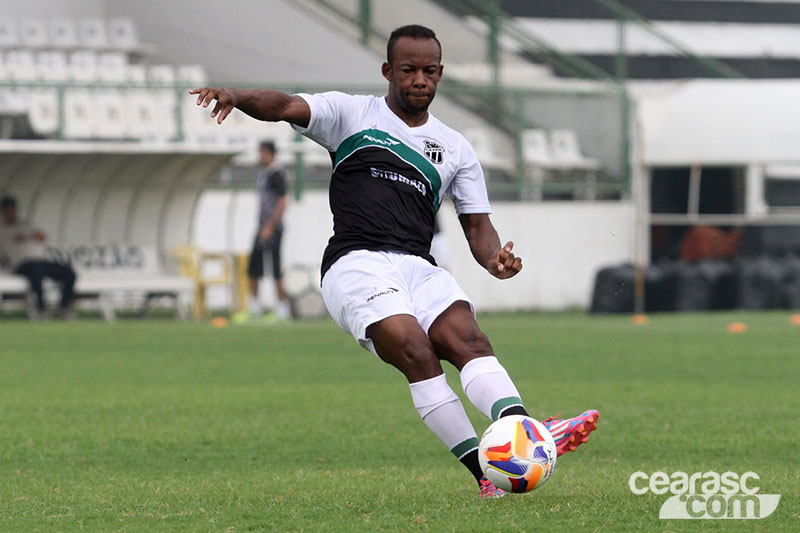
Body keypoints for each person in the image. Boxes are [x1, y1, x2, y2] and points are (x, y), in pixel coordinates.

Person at [190, 24, 598, 498]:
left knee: (467, 339)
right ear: (388, 71)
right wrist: (236, 95)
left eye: (428, 71)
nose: (418, 79)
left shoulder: (456, 148)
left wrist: (495, 259)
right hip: (355, 263)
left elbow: (476, 225)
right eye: (408, 70)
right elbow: (283, 106)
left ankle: (527, 432)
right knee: (415, 350)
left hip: (418, 266)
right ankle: (488, 476)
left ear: (440, 74)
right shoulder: (350, 114)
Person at [234, 140, 291, 323]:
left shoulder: (277, 174)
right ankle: (254, 307)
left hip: (271, 229)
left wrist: (269, 227)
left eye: (262, 153)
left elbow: (282, 202)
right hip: (262, 228)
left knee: (275, 268)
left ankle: (282, 309)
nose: (259, 157)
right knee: (254, 268)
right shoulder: (265, 174)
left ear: (269, 153)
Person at [0, 195, 76, 319]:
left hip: (40, 261)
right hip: (21, 265)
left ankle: (63, 307)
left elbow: (42, 236)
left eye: (13, 209)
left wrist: (26, 236)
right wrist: (26, 236)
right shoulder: (2, 228)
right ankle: (41, 309)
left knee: (69, 273)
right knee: (36, 272)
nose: (12, 213)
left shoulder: (25, 224)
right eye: (8, 210)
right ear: (3, 211)